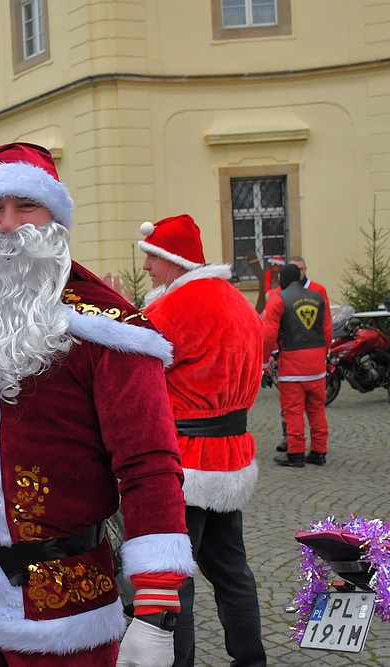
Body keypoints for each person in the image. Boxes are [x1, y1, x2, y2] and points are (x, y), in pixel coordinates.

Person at [0, 143, 194, 667]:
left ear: (55, 219)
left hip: (69, 615)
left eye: (27, 206)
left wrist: (156, 608)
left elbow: (149, 465)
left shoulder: (110, 331)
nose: (7, 225)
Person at [138, 215, 267, 667]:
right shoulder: (239, 302)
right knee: (232, 569)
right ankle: (251, 660)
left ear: (173, 260)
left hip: (182, 461)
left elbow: (135, 377)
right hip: (231, 456)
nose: (147, 267)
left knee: (174, 580)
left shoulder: (172, 309)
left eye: (152, 258)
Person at [264, 263, 332, 467]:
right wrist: (323, 354)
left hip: (292, 365)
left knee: (293, 410)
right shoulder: (317, 297)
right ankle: (319, 451)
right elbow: (327, 330)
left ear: (282, 279)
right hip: (317, 365)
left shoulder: (279, 299)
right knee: (317, 409)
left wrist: (264, 360)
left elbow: (268, 334)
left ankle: (295, 453)